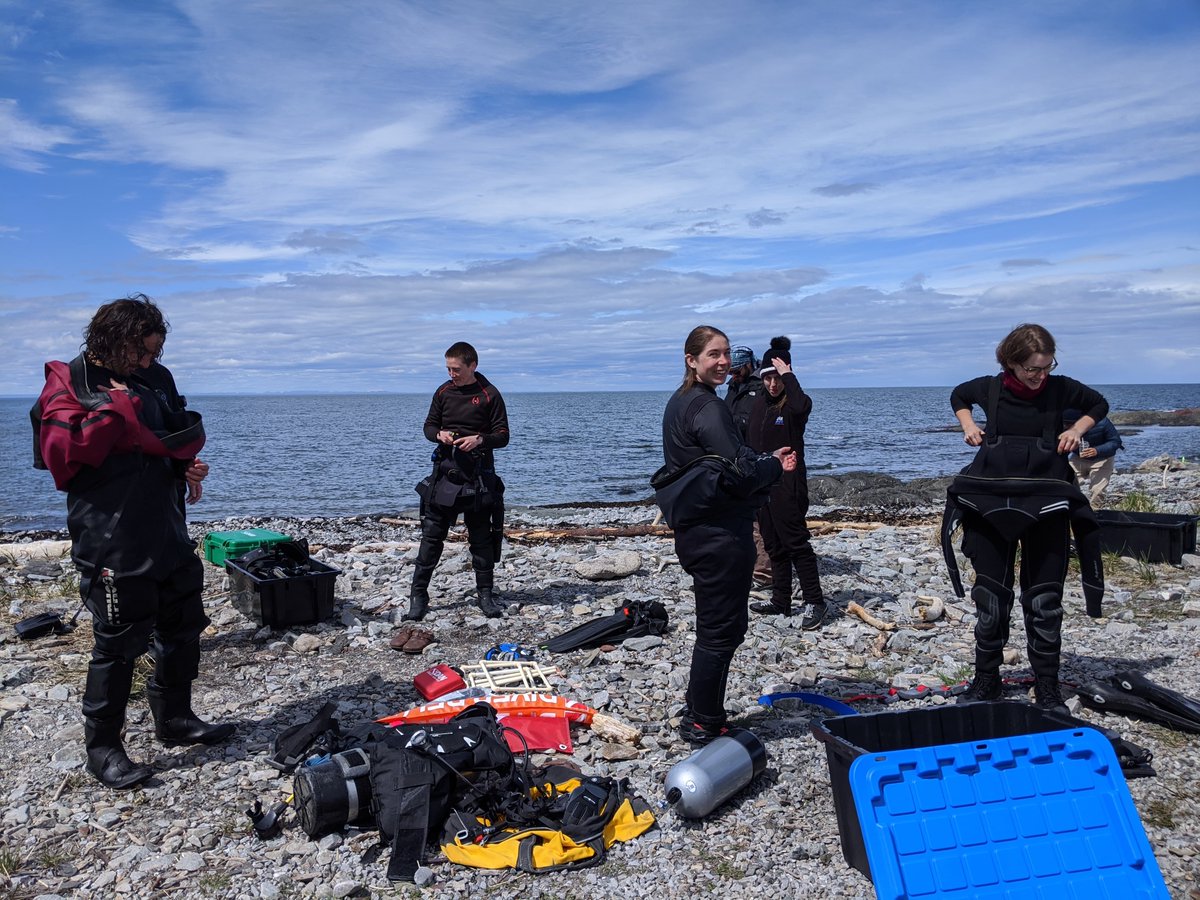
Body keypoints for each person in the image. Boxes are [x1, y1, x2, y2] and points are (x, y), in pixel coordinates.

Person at [31, 295, 234, 790]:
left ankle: (175, 719)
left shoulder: (156, 378)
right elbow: (61, 455)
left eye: (155, 353)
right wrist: (117, 410)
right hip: (110, 531)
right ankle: (102, 750)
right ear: (112, 340)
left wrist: (185, 464)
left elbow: (174, 430)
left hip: (164, 521)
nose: (148, 362)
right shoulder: (72, 384)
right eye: (141, 352)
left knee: (182, 620)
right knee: (119, 642)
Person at [947, 323, 1108, 713]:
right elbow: (958, 395)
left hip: (1048, 503)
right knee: (990, 598)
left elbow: (1098, 404)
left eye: (1046, 367)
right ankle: (987, 680)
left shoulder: (1061, 388)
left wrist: (1076, 430)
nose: (1040, 376)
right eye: (1032, 369)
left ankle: (1048, 687)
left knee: (1044, 599)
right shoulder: (989, 388)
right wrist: (969, 425)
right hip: (991, 503)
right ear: (1012, 362)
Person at [659, 326, 796, 744]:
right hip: (717, 534)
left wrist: (760, 460)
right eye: (712, 355)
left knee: (717, 626)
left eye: (725, 354)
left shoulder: (682, 402)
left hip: (699, 529)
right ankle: (703, 722)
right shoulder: (707, 408)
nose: (722, 362)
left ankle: (701, 707)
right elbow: (740, 473)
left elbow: (725, 462)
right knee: (722, 630)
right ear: (692, 360)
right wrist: (775, 466)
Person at [406, 341, 509, 621]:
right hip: (445, 475)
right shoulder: (443, 391)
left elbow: (503, 436)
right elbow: (428, 426)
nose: (452, 374)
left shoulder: (489, 394)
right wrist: (438, 435)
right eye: (448, 369)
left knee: (481, 540)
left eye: (457, 369)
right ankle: (418, 595)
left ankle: (485, 595)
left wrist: (480, 439)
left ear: (473, 365)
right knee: (431, 539)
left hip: (478, 477)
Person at [745, 336, 826, 629]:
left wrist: (789, 376)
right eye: (768, 378)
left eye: (778, 378)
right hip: (762, 485)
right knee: (773, 544)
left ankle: (815, 601)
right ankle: (781, 600)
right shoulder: (759, 406)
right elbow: (750, 444)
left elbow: (803, 405)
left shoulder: (792, 406)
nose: (772, 384)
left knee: (796, 544)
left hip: (789, 485)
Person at [1064, 409, 1122, 506]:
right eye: (1065, 424)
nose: (1067, 427)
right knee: (1066, 483)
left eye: (1070, 424)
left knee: (1098, 491)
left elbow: (1115, 442)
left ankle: (1096, 513)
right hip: (1077, 457)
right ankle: (1072, 510)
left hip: (1103, 459)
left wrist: (1097, 450)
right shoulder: (1063, 424)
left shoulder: (1102, 422)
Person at [724, 346, 762, 438]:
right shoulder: (733, 385)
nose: (733, 376)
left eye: (737, 372)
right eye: (730, 373)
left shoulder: (764, 384)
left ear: (748, 364)